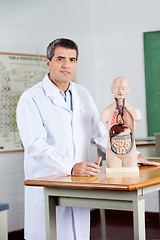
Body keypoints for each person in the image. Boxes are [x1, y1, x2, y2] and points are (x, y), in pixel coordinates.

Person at [16, 38, 107, 240]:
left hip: (78, 186)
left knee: (78, 234)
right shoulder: (31, 98)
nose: (67, 65)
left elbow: (99, 133)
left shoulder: (82, 93)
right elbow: (35, 146)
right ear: (48, 63)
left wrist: (128, 154)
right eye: (60, 59)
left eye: (72, 59)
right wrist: (71, 167)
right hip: (48, 184)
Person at [100, 77, 160, 170]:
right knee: (114, 179)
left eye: (123, 88)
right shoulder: (106, 112)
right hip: (112, 151)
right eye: (117, 88)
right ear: (111, 89)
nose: (120, 90)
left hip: (130, 150)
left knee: (131, 177)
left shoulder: (135, 112)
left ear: (128, 90)